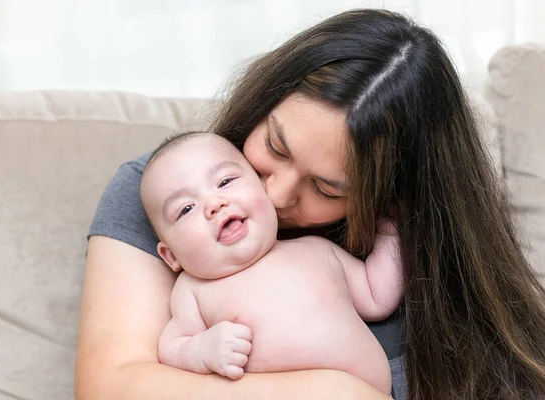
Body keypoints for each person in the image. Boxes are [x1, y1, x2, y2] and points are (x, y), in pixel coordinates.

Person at [75, 8, 545, 400]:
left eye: (327, 189)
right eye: (275, 148)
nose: (275, 196)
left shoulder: (399, 258)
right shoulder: (163, 192)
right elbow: (110, 385)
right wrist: (332, 392)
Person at [140, 132, 403, 395]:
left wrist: (391, 231)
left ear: (264, 188)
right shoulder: (194, 289)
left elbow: (375, 295)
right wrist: (203, 350)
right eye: (186, 208)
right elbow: (171, 346)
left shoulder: (317, 250)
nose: (214, 203)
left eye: (225, 181)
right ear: (171, 255)